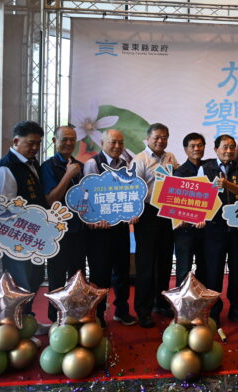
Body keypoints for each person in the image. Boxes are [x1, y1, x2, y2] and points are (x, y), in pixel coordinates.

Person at [0, 121, 47, 318]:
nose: (35, 147)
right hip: (16, 237)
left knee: (35, 278)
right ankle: (15, 326)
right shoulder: (6, 168)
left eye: (38, 143)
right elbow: (4, 209)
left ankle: (26, 321)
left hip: (34, 234)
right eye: (30, 143)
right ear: (16, 141)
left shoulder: (31, 163)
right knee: (20, 281)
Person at [83, 129, 137, 327]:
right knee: (100, 274)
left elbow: (130, 193)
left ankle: (121, 311)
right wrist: (96, 218)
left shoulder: (125, 165)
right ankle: (97, 314)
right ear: (102, 143)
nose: (117, 146)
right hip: (100, 230)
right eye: (113, 142)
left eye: (120, 143)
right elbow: (87, 195)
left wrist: (133, 212)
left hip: (120, 227)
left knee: (122, 271)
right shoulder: (92, 164)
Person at [198, 134, 238, 326]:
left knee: (237, 271)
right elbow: (198, 196)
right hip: (214, 229)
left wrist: (227, 184)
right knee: (214, 272)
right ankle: (213, 311)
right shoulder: (205, 168)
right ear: (216, 149)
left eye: (231, 147)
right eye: (224, 147)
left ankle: (237, 309)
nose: (228, 151)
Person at [131, 123, 179, 328]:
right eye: (157, 137)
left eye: (164, 137)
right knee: (146, 265)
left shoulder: (171, 158)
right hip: (147, 213)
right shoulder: (139, 160)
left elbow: (178, 182)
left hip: (167, 213)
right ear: (148, 138)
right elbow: (134, 190)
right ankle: (143, 310)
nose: (161, 141)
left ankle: (161, 303)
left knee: (164, 263)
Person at [40, 126, 87, 324]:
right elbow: (51, 199)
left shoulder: (80, 166)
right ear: (54, 140)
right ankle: (56, 319)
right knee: (57, 276)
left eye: (72, 139)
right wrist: (68, 175)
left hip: (79, 230)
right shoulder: (48, 167)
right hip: (57, 233)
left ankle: (76, 316)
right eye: (64, 139)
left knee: (77, 276)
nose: (68, 143)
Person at [173, 132, 207, 287]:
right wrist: (182, 218)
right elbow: (174, 203)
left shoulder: (209, 168)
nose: (196, 149)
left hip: (205, 230)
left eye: (200, 145)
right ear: (185, 149)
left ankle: (203, 300)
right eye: (192, 146)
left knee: (205, 269)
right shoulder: (179, 173)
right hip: (184, 231)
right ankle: (183, 302)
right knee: (184, 269)